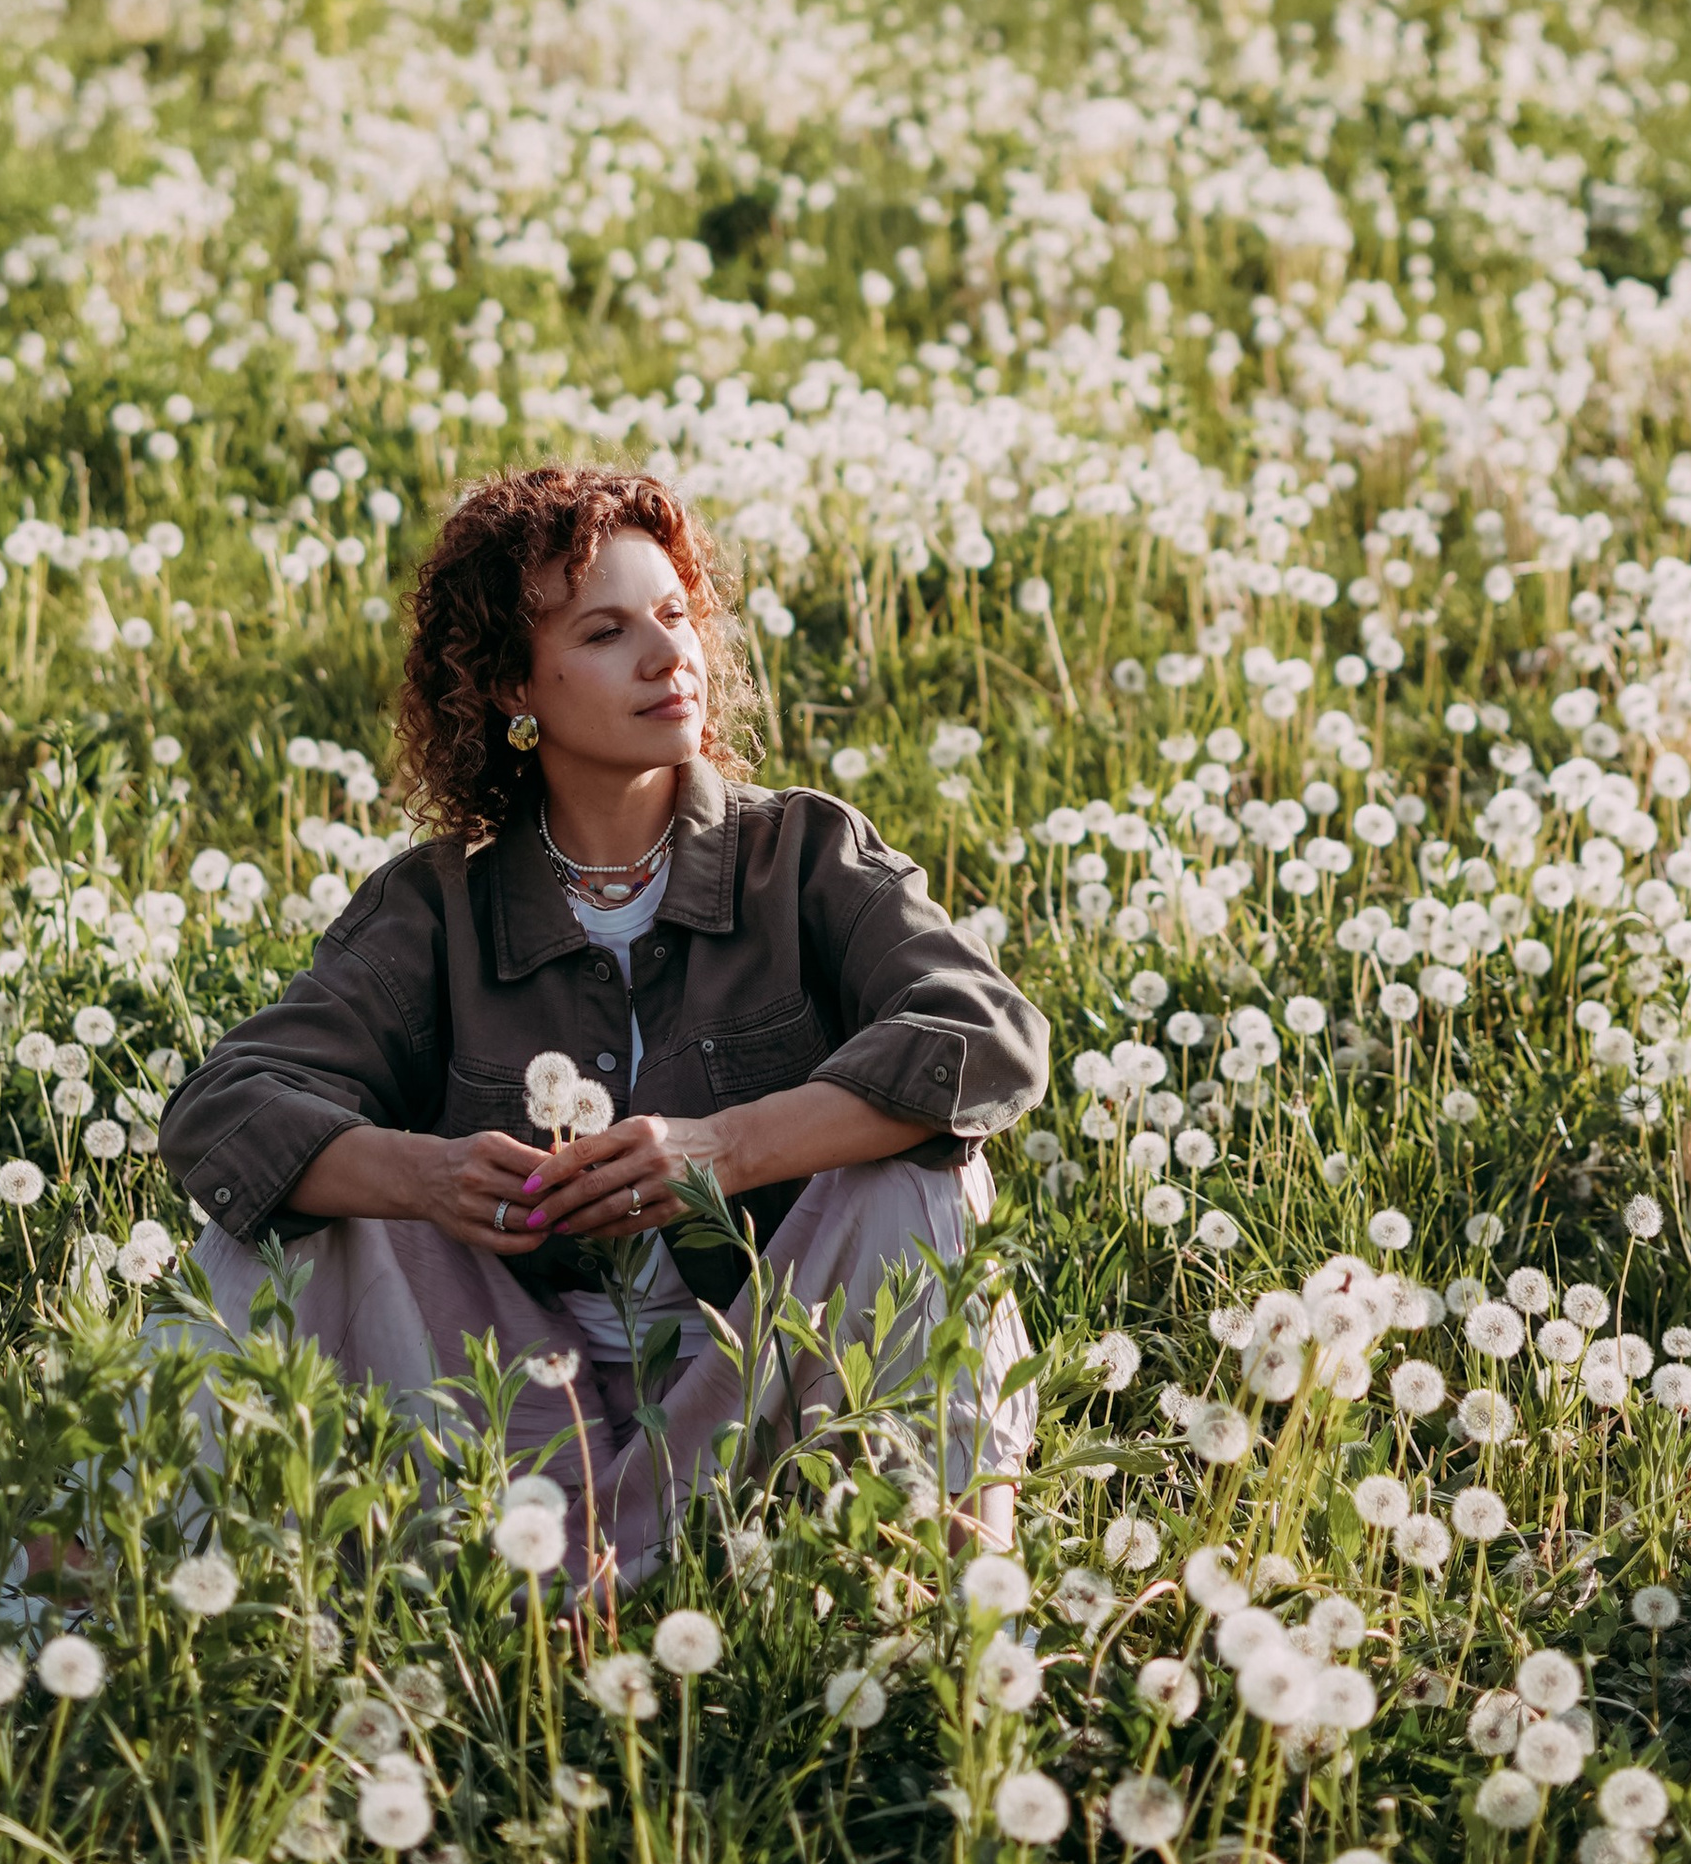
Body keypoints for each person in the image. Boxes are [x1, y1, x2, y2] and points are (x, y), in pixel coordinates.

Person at [160, 463, 1047, 1580]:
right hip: (513, 1412)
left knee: (918, 1173)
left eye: (675, 615)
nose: (669, 655)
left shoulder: (801, 856)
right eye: (605, 631)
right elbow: (221, 1113)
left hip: (764, 1382)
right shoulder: (436, 905)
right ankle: (137, 1594)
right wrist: (422, 1176)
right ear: (512, 688)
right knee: (287, 1217)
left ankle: (972, 1600)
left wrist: (725, 1148)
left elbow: (989, 1035)